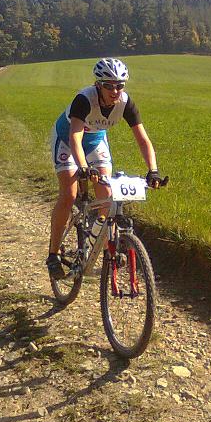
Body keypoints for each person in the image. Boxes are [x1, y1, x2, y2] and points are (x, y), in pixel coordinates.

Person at [47, 58, 164, 279]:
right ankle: (53, 255)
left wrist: (153, 170)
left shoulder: (126, 103)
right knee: (69, 194)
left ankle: (99, 239)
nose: (115, 90)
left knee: (107, 195)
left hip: (96, 142)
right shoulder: (84, 99)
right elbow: (75, 136)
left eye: (120, 85)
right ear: (98, 84)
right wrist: (82, 167)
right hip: (67, 140)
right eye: (109, 85)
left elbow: (143, 140)